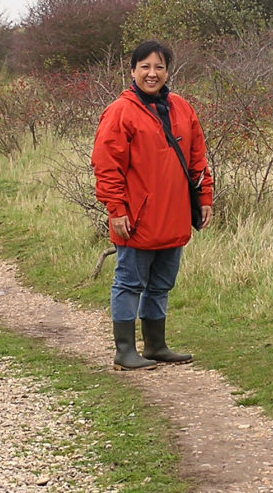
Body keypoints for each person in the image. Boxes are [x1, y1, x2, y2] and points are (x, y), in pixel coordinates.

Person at [92, 40, 213, 370]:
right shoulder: (120, 112)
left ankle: (156, 346)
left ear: (167, 71)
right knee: (129, 284)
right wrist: (116, 210)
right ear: (132, 71)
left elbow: (197, 160)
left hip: (173, 215)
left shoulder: (183, 108)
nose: (152, 73)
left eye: (159, 67)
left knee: (161, 285)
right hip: (136, 218)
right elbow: (106, 166)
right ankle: (124, 351)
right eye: (145, 66)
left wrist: (204, 199)